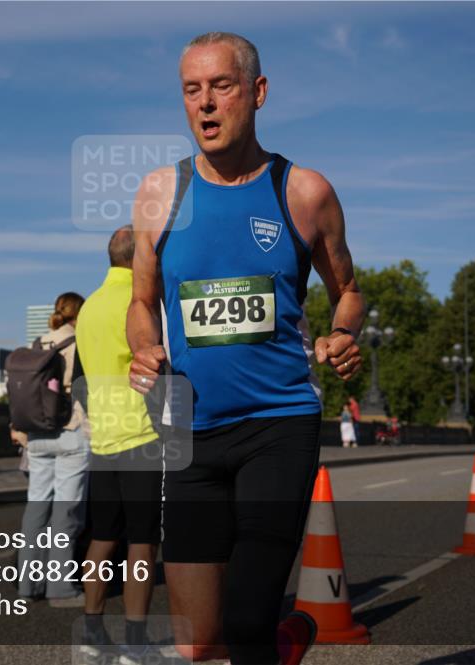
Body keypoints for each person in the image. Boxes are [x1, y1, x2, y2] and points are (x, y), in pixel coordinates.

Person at [127, 32, 365, 664]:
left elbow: (349, 291)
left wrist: (343, 335)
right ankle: (284, 644)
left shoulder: (303, 191)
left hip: (278, 424)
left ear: (257, 93)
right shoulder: (159, 195)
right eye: (191, 90)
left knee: (247, 616)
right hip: (191, 431)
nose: (205, 104)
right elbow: (140, 303)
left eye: (221, 86)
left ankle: (267, 637)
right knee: (198, 641)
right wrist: (144, 348)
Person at [75, 226, 162, 662]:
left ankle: (92, 630)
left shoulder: (88, 306)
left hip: (103, 436)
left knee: (103, 536)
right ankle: (135, 640)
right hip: (142, 434)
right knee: (143, 542)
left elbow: (81, 375)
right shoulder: (142, 304)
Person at [17, 292, 91, 607]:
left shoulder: (38, 343)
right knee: (66, 511)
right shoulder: (80, 342)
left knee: (36, 508)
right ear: (79, 314)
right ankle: (60, 587)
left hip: (37, 433)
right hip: (71, 430)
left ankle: (28, 584)